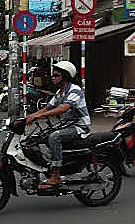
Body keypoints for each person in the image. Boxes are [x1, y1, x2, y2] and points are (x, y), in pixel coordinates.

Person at [25, 61, 91, 189]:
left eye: (56, 75)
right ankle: (47, 167)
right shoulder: (60, 92)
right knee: (35, 138)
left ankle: (56, 176)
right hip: (68, 125)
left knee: (54, 137)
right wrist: (30, 117)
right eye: (53, 75)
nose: (52, 78)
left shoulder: (75, 90)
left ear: (65, 77)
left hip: (79, 127)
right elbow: (48, 108)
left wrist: (39, 116)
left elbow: (64, 108)